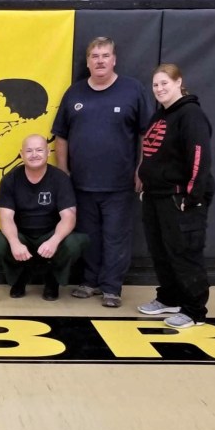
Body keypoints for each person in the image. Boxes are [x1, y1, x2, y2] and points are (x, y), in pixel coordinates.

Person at [52, 36, 152, 308]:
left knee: (116, 237)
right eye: (94, 56)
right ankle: (90, 281)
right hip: (81, 184)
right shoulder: (74, 93)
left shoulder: (132, 90)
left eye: (105, 55)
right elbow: (60, 136)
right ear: (87, 62)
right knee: (89, 236)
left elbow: (146, 133)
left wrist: (142, 168)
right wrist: (63, 173)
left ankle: (111, 288)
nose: (99, 60)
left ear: (114, 59)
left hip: (119, 183)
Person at [137, 64, 215, 328]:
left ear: (178, 82)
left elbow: (198, 158)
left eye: (164, 83)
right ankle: (170, 297)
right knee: (160, 252)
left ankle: (194, 311)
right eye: (156, 85)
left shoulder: (190, 114)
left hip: (179, 197)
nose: (159, 89)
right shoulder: (160, 116)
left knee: (185, 253)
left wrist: (191, 196)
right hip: (155, 197)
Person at [0, 134, 88, 300]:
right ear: (21, 154)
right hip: (22, 234)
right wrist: (15, 242)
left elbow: (69, 216)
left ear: (48, 152)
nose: (34, 154)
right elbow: (6, 217)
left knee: (75, 243)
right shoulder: (10, 180)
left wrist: (54, 240)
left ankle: (52, 279)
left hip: (50, 234)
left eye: (39, 150)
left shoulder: (60, 178)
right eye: (29, 151)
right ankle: (19, 277)